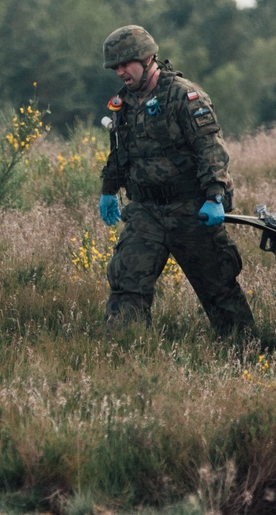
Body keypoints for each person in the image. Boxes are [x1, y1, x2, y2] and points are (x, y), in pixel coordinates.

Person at [97, 25, 254, 335]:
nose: (120, 72)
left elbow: (211, 150)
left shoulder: (183, 95)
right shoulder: (123, 103)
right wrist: (108, 189)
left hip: (190, 208)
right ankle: (126, 351)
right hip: (145, 211)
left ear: (148, 58)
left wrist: (214, 196)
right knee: (126, 282)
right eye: (115, 67)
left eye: (126, 64)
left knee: (217, 286)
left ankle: (245, 350)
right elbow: (119, 152)